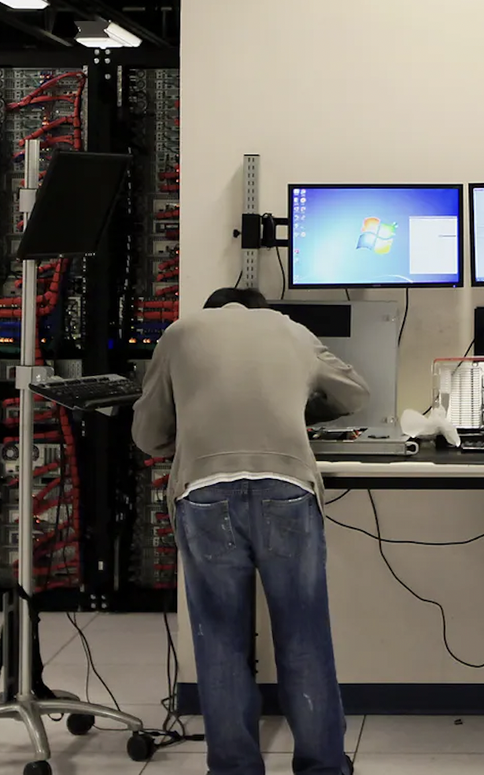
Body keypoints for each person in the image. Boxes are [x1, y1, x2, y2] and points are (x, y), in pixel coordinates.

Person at [132, 287, 369, 775]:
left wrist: (190, 430)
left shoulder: (179, 333)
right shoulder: (292, 330)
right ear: (260, 310)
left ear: (212, 312)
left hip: (204, 493)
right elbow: (355, 393)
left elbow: (147, 436)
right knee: (304, 637)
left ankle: (234, 768)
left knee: (220, 639)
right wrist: (299, 410)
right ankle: (323, 767)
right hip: (286, 489)